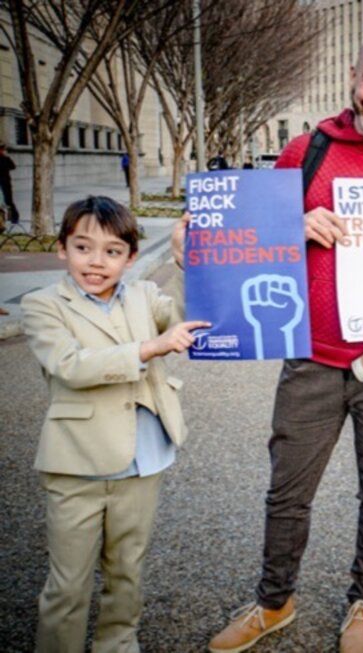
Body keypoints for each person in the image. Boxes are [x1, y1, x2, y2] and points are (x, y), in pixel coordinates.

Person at [202, 32, 363, 653]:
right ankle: (274, 601)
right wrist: (292, 226)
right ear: (353, 76)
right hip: (312, 360)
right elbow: (246, 241)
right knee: (287, 493)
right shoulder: (306, 152)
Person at [20, 196, 207, 653]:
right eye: (83, 247)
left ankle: (119, 644)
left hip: (143, 457)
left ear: (131, 257)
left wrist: (183, 260)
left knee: (127, 570)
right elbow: (70, 365)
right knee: (68, 583)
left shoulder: (144, 295)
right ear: (62, 248)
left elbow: (185, 321)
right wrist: (148, 348)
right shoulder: (42, 304)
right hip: (76, 463)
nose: (96, 262)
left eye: (112, 251)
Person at [0, 143, 20, 224]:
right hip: (3, 181)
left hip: (5, 182)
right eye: (2, 150)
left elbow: (13, 166)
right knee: (5, 201)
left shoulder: (6, 158)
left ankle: (14, 217)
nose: (3, 151)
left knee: (8, 200)